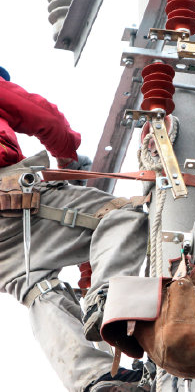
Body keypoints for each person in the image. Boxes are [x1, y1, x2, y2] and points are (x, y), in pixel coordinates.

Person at [0, 66, 151, 392]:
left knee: (37, 288)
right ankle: (107, 298)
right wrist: (67, 159)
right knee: (121, 215)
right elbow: (44, 118)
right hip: (9, 201)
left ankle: (94, 378)